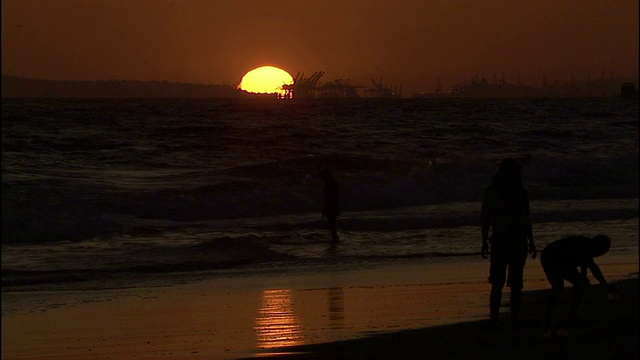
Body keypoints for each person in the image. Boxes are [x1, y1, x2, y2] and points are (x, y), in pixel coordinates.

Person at [481, 158, 536, 327]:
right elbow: (526, 219)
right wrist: (531, 241)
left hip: (500, 240)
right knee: (515, 283)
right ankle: (514, 318)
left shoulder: (491, 192)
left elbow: (486, 219)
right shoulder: (521, 193)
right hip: (517, 240)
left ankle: (494, 319)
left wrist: (483, 241)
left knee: (497, 282)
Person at [540, 235, 618, 333]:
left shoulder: (587, 247)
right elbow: (593, 268)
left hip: (558, 257)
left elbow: (585, 266)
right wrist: (604, 285)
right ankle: (550, 317)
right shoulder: (585, 247)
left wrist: (584, 278)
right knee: (558, 287)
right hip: (552, 257)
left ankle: (570, 316)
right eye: (603, 251)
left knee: (576, 284)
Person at [320, 168, 340, 245]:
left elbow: (328, 197)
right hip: (333, 205)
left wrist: (326, 207)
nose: (321, 178)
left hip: (331, 206)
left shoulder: (329, 184)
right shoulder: (333, 182)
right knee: (332, 224)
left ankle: (335, 239)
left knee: (332, 224)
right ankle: (334, 238)